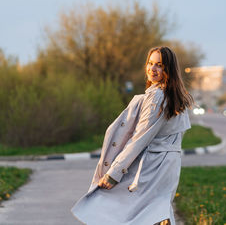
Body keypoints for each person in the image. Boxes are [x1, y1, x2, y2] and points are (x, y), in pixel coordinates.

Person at [71, 46, 193, 225]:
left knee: (115, 209)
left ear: (169, 69)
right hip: (169, 167)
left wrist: (115, 172)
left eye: (159, 65)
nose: (152, 69)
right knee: (155, 214)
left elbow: (139, 138)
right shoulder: (175, 96)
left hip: (152, 167)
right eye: (150, 64)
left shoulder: (157, 97)